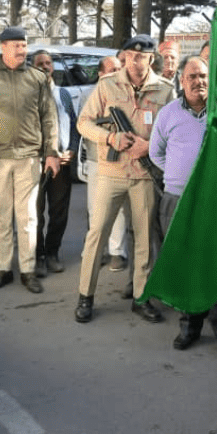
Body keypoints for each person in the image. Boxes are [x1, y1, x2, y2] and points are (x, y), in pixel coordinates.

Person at [74, 35, 175, 324]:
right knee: (97, 235)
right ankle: (85, 296)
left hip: (144, 175)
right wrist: (110, 138)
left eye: (141, 57)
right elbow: (84, 123)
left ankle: (141, 298)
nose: (134, 61)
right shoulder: (107, 85)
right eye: (130, 55)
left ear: (151, 59)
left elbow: (173, 131)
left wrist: (150, 146)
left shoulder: (165, 90)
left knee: (144, 239)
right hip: (112, 172)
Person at [151, 56, 217, 360]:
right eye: (192, 76)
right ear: (181, 81)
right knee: (185, 265)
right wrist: (180, 177)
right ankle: (189, 326)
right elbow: (156, 153)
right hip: (178, 201)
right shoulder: (168, 113)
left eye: (203, 76)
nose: (198, 81)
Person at [0, 27, 60, 294]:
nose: (22, 50)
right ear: (3, 47)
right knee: (1, 217)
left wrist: (51, 152)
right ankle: (4, 269)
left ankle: (28, 270)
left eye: (24, 45)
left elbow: (49, 117)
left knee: (28, 217)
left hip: (28, 158)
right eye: (16, 46)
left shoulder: (36, 77)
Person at [31, 50, 78, 278]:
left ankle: (52, 253)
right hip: (35, 163)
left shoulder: (64, 94)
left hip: (62, 163)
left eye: (48, 62)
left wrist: (72, 149)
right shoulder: (28, 94)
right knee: (35, 213)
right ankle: (38, 256)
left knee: (59, 212)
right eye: (40, 63)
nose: (45, 66)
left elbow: (75, 124)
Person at [86, 55, 130, 275]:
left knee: (118, 208)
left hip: (120, 159)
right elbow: (83, 124)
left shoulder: (124, 92)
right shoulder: (89, 94)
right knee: (95, 208)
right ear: (101, 73)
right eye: (112, 69)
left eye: (119, 69)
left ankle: (117, 251)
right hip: (96, 158)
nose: (117, 72)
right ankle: (97, 250)